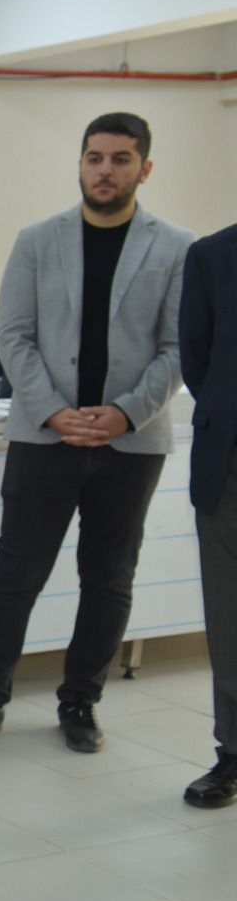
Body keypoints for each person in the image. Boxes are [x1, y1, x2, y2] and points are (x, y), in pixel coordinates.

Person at [0, 112, 194, 754]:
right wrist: (54, 410)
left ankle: (80, 701)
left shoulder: (175, 247)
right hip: (43, 436)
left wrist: (125, 412)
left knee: (108, 578)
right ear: (80, 163)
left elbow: (178, 345)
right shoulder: (37, 240)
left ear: (145, 168)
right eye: (95, 157)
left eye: (120, 159)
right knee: (15, 571)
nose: (105, 170)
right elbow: (13, 335)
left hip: (129, 442)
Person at [179, 223, 237, 807]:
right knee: (230, 616)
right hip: (230, 465)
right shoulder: (213, 256)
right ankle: (233, 754)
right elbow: (198, 361)